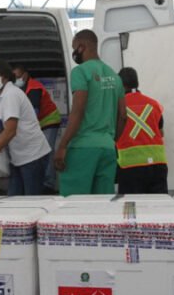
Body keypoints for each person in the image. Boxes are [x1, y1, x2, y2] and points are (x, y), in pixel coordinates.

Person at [54, 30, 126, 196]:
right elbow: (123, 115)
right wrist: (111, 140)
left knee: (74, 206)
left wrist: (63, 145)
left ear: (81, 47)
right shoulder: (115, 76)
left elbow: (78, 110)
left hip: (82, 148)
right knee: (101, 207)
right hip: (107, 149)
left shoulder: (80, 72)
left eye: (74, 48)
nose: (74, 53)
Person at [0, 61, 52, 195]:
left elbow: (11, 131)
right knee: (14, 201)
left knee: (30, 203)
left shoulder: (10, 95)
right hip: (20, 157)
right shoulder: (5, 95)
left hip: (32, 156)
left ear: (5, 76)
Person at [116, 67, 168, 194]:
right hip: (157, 165)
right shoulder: (153, 104)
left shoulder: (118, 106)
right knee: (158, 207)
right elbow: (160, 133)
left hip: (130, 167)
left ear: (120, 85)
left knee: (132, 209)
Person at [13, 63, 62, 192]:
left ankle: (48, 184)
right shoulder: (18, 89)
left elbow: (33, 113)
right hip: (39, 122)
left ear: (25, 75)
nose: (16, 79)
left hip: (49, 120)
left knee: (46, 151)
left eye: (18, 76)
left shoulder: (34, 88)